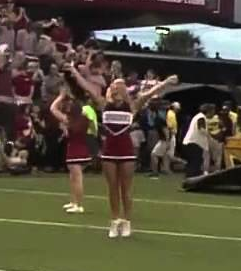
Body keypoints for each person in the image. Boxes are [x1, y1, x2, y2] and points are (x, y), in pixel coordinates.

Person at [68, 68, 178, 238]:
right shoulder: (104, 104)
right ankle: (114, 221)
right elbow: (88, 88)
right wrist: (74, 72)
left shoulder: (132, 105)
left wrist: (166, 82)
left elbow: (151, 93)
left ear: (125, 90)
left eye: (120, 87)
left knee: (125, 189)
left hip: (126, 151)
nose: (116, 90)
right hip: (109, 152)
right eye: (114, 87)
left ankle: (126, 222)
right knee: (112, 188)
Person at [50, 90, 89, 214]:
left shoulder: (70, 120)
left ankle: (79, 204)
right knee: (73, 177)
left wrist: (61, 96)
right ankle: (74, 202)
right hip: (80, 147)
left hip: (75, 148)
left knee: (77, 177)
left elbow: (53, 109)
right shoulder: (84, 119)